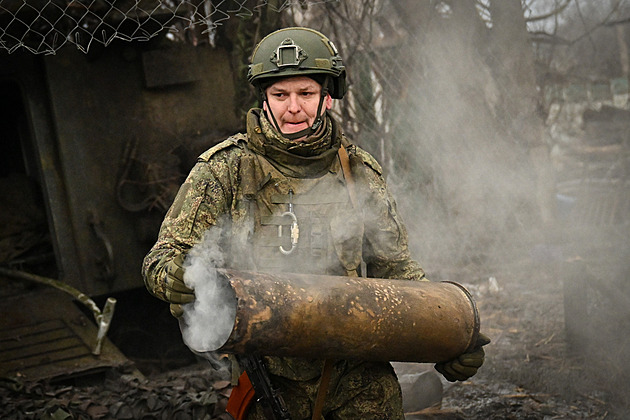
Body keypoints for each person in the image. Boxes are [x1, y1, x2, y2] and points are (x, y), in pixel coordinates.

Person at [143, 27, 488, 419]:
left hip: (359, 378)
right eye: (280, 95)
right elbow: (164, 257)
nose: (293, 108)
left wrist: (448, 338)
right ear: (264, 98)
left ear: (327, 98)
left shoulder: (358, 171)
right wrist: (175, 276)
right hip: (270, 381)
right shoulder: (226, 169)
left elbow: (400, 275)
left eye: (305, 94)